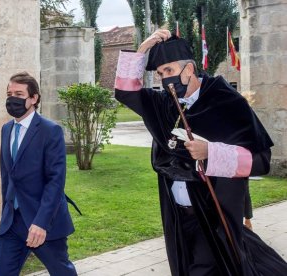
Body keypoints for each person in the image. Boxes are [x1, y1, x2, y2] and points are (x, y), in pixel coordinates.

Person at [114, 29, 287, 275]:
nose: (164, 79)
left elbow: (261, 161)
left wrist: (211, 152)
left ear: (189, 70)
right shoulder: (164, 104)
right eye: (160, 73)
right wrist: (143, 48)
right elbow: (125, 92)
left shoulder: (227, 101)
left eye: (169, 71)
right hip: (176, 213)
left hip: (214, 212)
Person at [0, 72, 77, 276]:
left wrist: (40, 223)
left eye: (19, 93)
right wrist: (6, 211)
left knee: (62, 272)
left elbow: (55, 182)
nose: (12, 98)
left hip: (42, 221)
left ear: (34, 98)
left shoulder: (50, 131)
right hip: (12, 223)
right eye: (9, 93)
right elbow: (8, 177)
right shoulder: (6, 129)